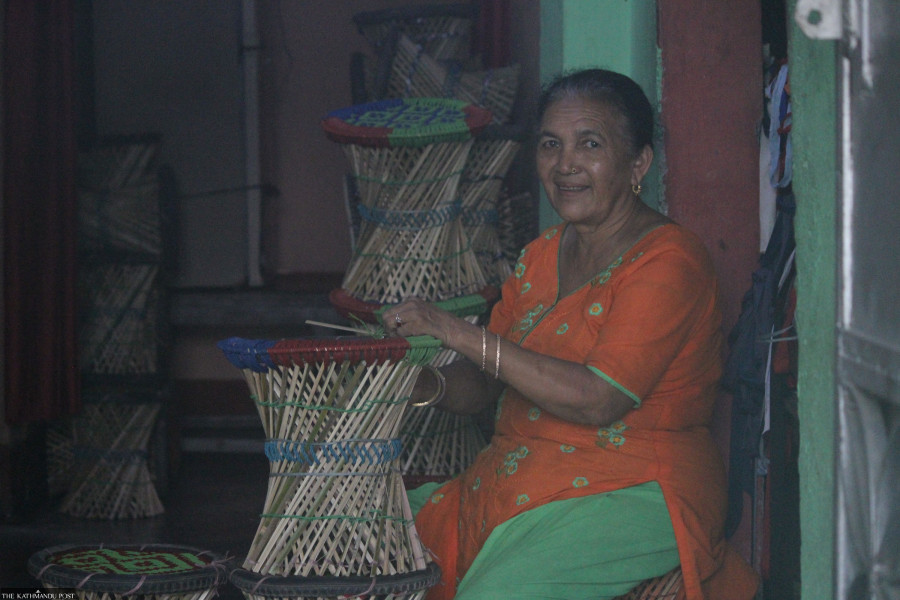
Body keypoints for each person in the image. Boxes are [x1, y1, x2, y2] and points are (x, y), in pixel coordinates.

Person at [386, 68, 759, 600]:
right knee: (371, 548)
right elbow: (484, 385)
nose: (565, 165)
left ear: (638, 163)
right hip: (514, 485)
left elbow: (598, 398)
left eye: (590, 144)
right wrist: (424, 385)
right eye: (550, 144)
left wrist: (450, 330)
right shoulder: (541, 256)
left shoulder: (670, 261)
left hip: (633, 492)